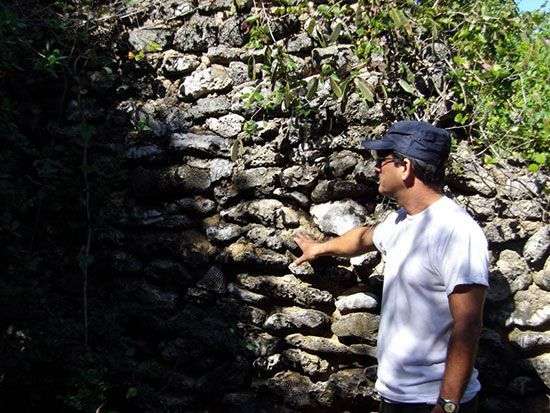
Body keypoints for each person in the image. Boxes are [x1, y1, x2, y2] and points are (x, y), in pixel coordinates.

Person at [292, 121, 489, 413]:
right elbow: (362, 238)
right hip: (396, 396)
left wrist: (448, 403)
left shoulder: (456, 231)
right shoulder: (400, 221)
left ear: (406, 167)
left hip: (430, 400)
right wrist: (318, 248)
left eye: (382, 160)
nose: (375, 169)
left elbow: (468, 324)